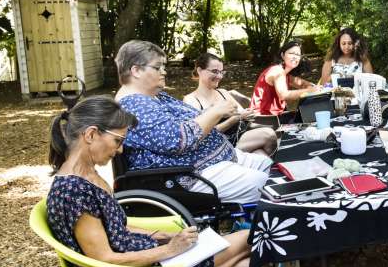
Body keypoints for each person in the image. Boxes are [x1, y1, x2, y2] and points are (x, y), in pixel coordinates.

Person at [46, 97, 318, 267]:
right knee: (255, 236)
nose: (121, 149)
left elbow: (118, 227)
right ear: (91, 135)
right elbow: (105, 261)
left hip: (147, 266)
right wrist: (168, 250)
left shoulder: (85, 175)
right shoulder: (74, 191)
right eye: (118, 141)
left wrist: (163, 235)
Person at [115, 40, 271, 205]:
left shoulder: (153, 96)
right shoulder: (133, 105)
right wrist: (216, 111)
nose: (164, 72)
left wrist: (214, 110)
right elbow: (178, 140)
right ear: (136, 70)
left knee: (272, 168)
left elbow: (188, 119)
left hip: (215, 162)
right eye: (158, 67)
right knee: (269, 186)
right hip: (191, 176)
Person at [184, 52, 277, 157]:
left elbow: (243, 114)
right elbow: (199, 134)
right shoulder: (191, 100)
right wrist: (235, 119)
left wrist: (249, 113)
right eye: (214, 71)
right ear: (200, 70)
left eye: (221, 72)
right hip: (216, 145)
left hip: (240, 137)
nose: (219, 76)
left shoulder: (222, 92)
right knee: (269, 134)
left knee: (261, 156)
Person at [250, 40, 321, 116]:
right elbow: (283, 95)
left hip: (274, 116)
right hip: (262, 118)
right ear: (282, 55)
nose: (295, 57)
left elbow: (302, 84)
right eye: (291, 53)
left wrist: (313, 87)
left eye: (298, 55)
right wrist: (309, 91)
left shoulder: (285, 73)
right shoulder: (277, 71)